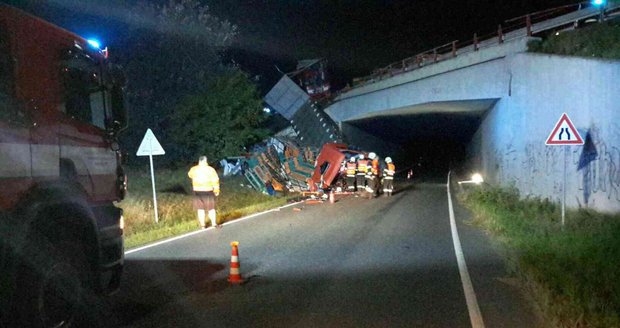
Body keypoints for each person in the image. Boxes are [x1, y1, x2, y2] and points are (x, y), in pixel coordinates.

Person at [188, 156, 221, 229]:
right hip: (207, 190)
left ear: (199, 161)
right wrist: (216, 190)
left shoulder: (194, 169)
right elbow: (215, 180)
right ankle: (214, 224)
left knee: (200, 209)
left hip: (197, 191)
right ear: (206, 161)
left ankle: (203, 225)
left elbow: (190, 175)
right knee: (211, 208)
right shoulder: (210, 169)